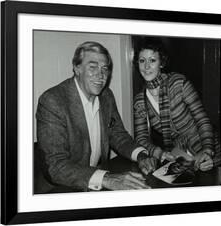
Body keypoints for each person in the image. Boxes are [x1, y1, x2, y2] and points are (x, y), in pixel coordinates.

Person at [36, 41, 158, 192]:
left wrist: (141, 155)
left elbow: (117, 134)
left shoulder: (106, 95)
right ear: (77, 68)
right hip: (60, 189)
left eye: (104, 69)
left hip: (96, 181)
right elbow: (55, 166)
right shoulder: (52, 101)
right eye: (92, 67)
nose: (100, 75)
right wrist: (106, 178)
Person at [133, 39, 221, 172]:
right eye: (142, 61)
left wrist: (207, 151)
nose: (146, 67)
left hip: (209, 150)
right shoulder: (140, 100)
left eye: (152, 60)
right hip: (181, 158)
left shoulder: (179, 83)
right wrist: (159, 153)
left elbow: (202, 120)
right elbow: (141, 138)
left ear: (161, 63)